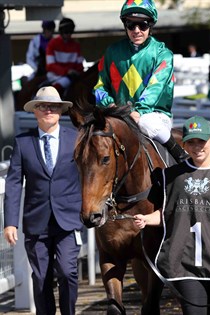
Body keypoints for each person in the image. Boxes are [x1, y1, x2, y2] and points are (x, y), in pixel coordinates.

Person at [134, 115, 210, 315]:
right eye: (191, 142)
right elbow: (167, 213)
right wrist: (147, 219)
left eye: (201, 141)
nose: (197, 147)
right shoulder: (172, 176)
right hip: (184, 264)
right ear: (184, 145)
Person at [4, 86, 83, 315]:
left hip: (68, 220)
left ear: (60, 111)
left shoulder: (76, 139)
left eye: (53, 106)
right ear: (35, 111)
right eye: (43, 106)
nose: (48, 110)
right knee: (40, 278)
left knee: (67, 273)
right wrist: (10, 223)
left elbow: (90, 176)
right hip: (36, 222)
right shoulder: (23, 142)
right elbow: (14, 183)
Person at [93, 0, 188, 163]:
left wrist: (139, 112)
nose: (136, 31)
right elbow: (100, 85)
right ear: (125, 25)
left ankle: (180, 156)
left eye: (142, 25)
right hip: (118, 114)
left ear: (151, 26)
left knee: (146, 123)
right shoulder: (112, 51)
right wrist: (109, 105)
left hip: (153, 115)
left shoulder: (162, 54)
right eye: (131, 25)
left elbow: (155, 87)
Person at [46, 17, 84, 96]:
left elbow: (80, 65)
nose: (68, 34)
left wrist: (77, 72)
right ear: (61, 32)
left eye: (70, 32)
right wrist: (67, 71)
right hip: (55, 75)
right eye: (66, 32)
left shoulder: (76, 45)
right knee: (65, 81)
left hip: (73, 77)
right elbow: (50, 65)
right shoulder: (52, 44)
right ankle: (50, 98)